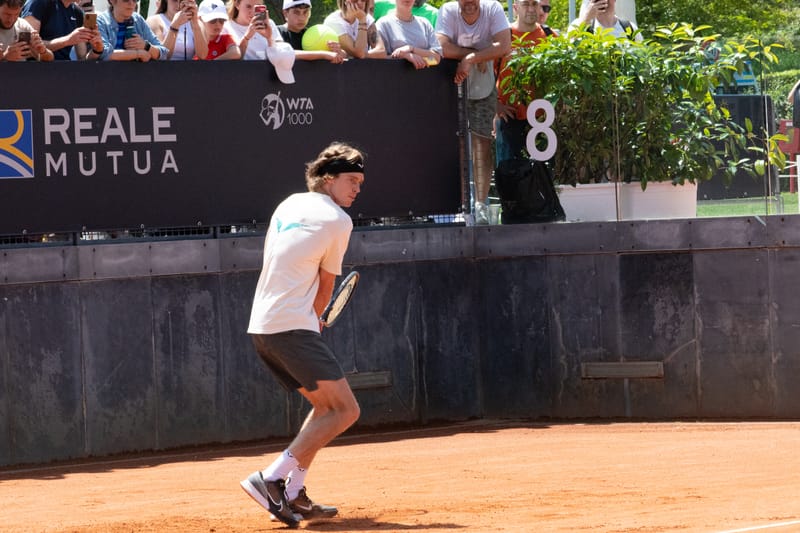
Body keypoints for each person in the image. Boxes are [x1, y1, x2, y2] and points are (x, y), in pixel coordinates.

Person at [240, 141, 365, 528]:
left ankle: (293, 492)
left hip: (263, 327)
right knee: (346, 410)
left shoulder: (289, 203)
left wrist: (308, 318)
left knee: (325, 407)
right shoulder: (339, 221)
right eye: (351, 180)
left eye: (361, 182)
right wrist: (315, 318)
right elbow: (326, 286)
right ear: (328, 179)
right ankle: (273, 478)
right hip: (292, 326)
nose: (357, 189)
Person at [436, 0, 511, 224]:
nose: (469, 3)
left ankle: (481, 204)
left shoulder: (493, 8)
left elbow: (504, 44)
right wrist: (473, 53)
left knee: (482, 142)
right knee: (453, 145)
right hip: (450, 84)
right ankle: (456, 204)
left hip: (483, 86)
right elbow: (442, 45)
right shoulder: (447, 10)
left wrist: (471, 59)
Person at [494, 0, 546, 163]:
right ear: (516, 8)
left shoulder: (550, 36)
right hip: (509, 116)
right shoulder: (503, 36)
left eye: (534, 4)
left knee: (542, 176)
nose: (531, 9)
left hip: (541, 119)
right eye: (525, 4)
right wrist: (495, 105)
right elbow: (488, 74)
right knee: (509, 174)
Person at [373, 0, 440, 68]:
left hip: (424, 78)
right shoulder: (383, 24)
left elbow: (436, 59)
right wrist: (404, 57)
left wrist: (412, 50)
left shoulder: (425, 24)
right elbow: (379, 59)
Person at [97, 0, 168, 61]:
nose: (131, 3)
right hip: (108, 74)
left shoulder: (138, 20)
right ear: (112, 1)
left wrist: (145, 46)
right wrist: (138, 54)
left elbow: (163, 53)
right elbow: (103, 54)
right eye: (126, 0)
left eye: (135, 0)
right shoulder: (101, 21)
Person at [278, 0, 345, 63]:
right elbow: (283, 54)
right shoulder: (276, 32)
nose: (301, 18)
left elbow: (341, 55)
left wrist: (338, 52)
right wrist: (323, 54)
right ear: (285, 13)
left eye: (305, 12)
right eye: (296, 12)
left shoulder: (314, 33)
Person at [22, 0, 92, 59]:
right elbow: (27, 46)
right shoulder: (38, 2)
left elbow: (82, 57)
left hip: (64, 70)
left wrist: (97, 49)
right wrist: (67, 40)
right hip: (35, 70)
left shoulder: (78, 12)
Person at [569, 0, 641, 41]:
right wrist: (586, 19)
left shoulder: (629, 27)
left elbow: (642, 58)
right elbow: (569, 51)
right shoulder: (578, 25)